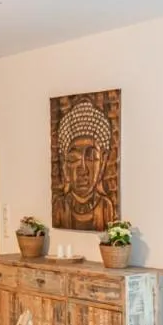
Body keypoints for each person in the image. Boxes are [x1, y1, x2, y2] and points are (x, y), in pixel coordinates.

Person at [52, 98, 115, 230]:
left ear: (103, 161)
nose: (83, 169)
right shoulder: (60, 206)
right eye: (74, 158)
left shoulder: (105, 206)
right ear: (64, 164)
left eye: (91, 157)